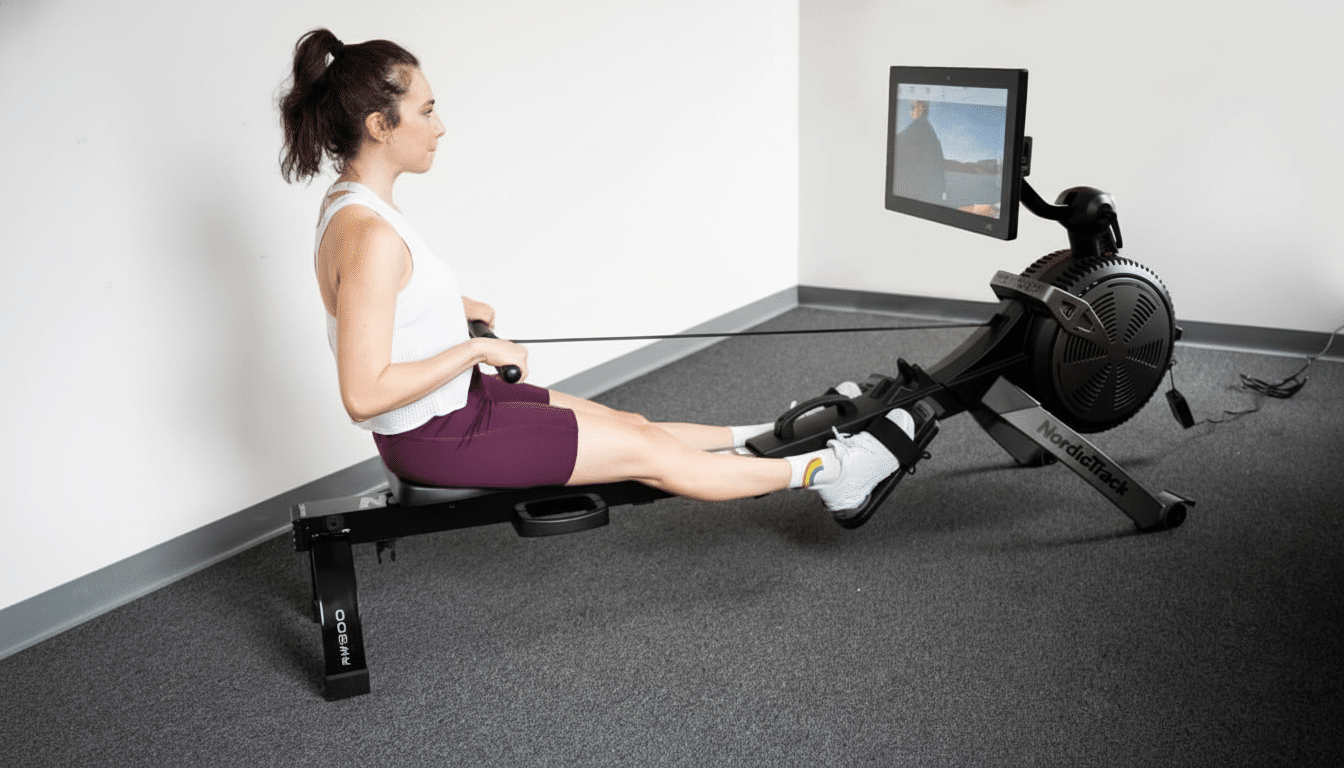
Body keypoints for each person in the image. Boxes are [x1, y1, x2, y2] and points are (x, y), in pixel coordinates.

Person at [277, 29, 914, 518]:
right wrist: (474, 345)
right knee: (651, 456)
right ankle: (833, 471)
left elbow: (386, 306)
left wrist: (457, 307)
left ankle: (766, 434)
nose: (440, 126)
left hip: (456, 405)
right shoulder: (368, 237)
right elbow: (362, 393)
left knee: (633, 427)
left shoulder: (353, 204)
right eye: (426, 111)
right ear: (379, 126)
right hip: (437, 435)